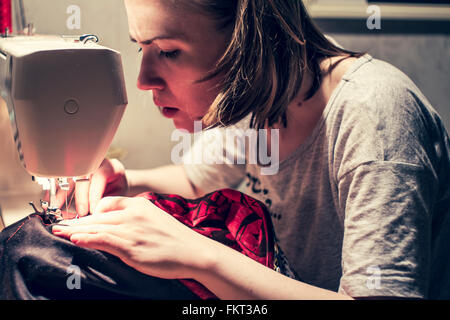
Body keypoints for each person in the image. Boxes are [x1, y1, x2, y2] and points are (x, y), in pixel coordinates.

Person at [51, 0, 450, 299]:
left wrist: (198, 256)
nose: (143, 80)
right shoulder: (256, 94)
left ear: (250, 39)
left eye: (169, 51)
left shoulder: (375, 117)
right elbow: (196, 177)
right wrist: (126, 179)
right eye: (143, 48)